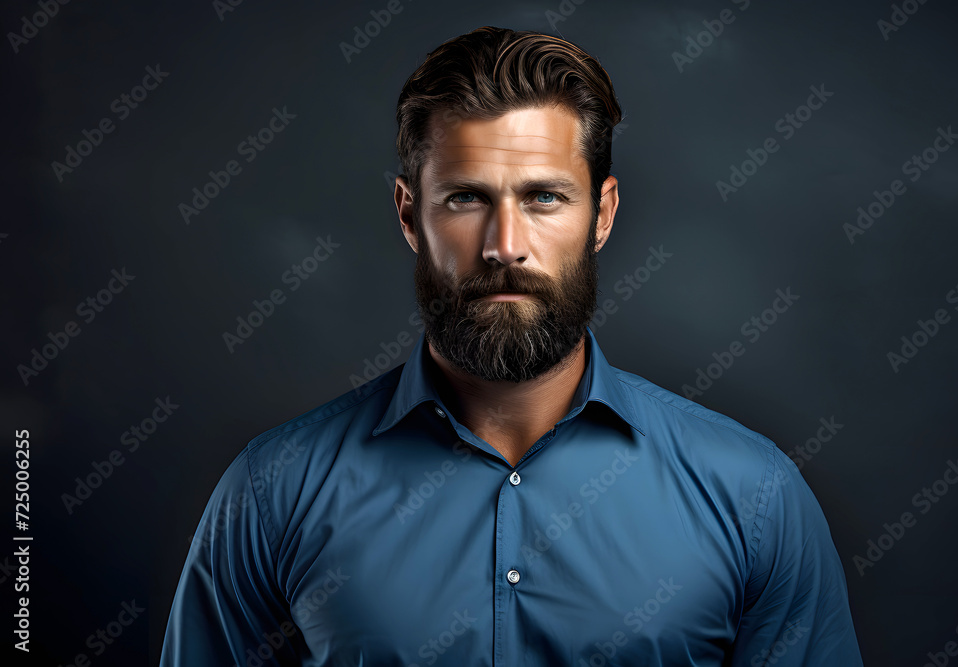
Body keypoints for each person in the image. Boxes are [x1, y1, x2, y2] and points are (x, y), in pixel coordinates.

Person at [159, 26, 864, 666]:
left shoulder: (752, 497)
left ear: (603, 214)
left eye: (544, 198)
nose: (505, 246)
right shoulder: (274, 492)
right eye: (466, 198)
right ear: (411, 214)